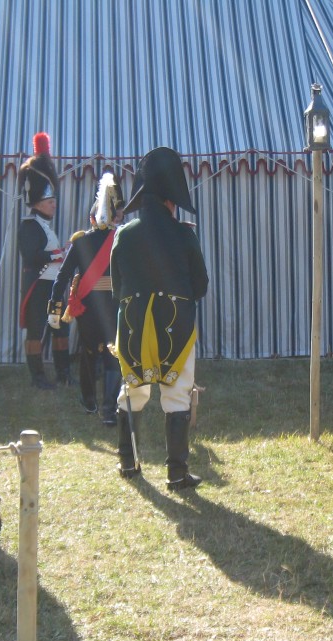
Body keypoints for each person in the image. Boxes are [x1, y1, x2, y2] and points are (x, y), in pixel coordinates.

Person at [111, 147, 209, 490]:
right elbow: (201, 285)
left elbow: (117, 288)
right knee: (177, 395)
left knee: (132, 393)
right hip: (176, 326)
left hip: (134, 325)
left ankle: (128, 463)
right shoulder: (184, 234)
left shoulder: (123, 234)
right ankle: (177, 473)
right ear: (171, 199)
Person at [48, 171, 125, 426]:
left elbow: (62, 277)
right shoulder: (122, 241)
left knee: (90, 354)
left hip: (88, 308)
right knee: (114, 355)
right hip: (114, 305)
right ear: (114, 213)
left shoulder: (81, 242)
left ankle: (91, 401)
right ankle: (109, 411)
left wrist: (54, 308)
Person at [17, 132, 69, 389]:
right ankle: (38, 377)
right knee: (36, 331)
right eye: (50, 201)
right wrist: (58, 254)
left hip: (53, 286)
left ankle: (63, 373)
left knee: (60, 329)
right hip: (38, 286)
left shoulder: (46, 226)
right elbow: (32, 256)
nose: (54, 205)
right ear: (39, 202)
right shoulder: (28, 226)